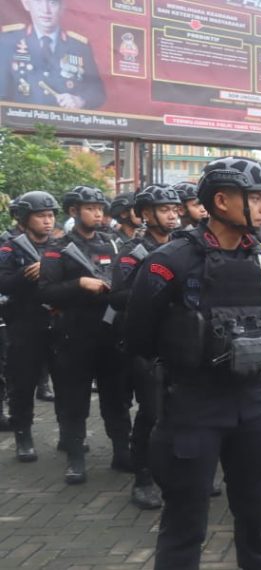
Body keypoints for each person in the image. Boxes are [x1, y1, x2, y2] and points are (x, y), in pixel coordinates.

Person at [125, 157, 261, 569]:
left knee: (258, 521)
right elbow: (138, 336)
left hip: (252, 401)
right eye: (257, 197)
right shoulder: (170, 261)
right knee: (184, 524)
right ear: (223, 200)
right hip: (193, 406)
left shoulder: (260, 256)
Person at [39, 186, 131, 484]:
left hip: (109, 331)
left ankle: (121, 451)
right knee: (73, 398)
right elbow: (46, 291)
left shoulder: (114, 244)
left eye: (100, 208)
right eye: (90, 208)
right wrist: (79, 283)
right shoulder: (58, 248)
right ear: (74, 211)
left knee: (116, 397)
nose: (98, 213)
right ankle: (76, 457)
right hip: (74, 334)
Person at [108, 185, 182, 510]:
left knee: (178, 410)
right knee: (150, 413)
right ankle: (143, 479)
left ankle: (173, 472)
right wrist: (154, 291)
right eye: (164, 209)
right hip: (146, 345)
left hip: (177, 343)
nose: (173, 214)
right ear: (146, 214)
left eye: (175, 209)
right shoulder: (132, 252)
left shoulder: (182, 248)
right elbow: (117, 296)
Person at [0, 191, 60, 462]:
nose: (47, 221)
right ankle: (23, 433)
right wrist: (27, 274)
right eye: (41, 216)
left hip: (58, 323)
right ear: (24, 218)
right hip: (24, 323)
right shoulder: (8, 246)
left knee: (66, 381)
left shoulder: (60, 245)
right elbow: (3, 283)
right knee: (22, 384)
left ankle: (70, 434)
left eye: (50, 215)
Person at [1, 0, 106, 109]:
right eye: (38, 2)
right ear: (26, 4)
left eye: (53, 3)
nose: (46, 10)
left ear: (62, 7)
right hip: (20, 123)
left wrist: (80, 100)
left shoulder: (79, 47)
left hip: (65, 122)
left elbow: (97, 92)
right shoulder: (8, 40)